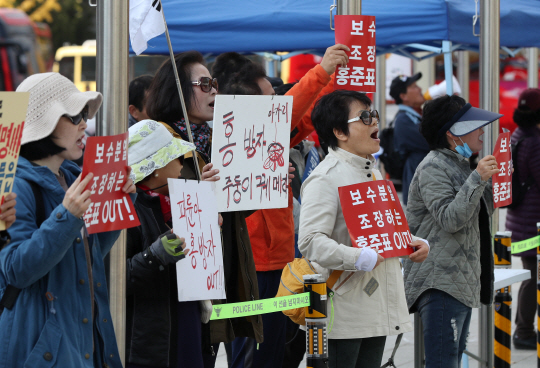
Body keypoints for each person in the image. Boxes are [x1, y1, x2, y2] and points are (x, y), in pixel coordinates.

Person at [212, 45, 347, 368]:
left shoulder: (273, 139)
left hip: (282, 260)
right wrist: (323, 71)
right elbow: (294, 106)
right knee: (252, 356)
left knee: (278, 353)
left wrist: (334, 74)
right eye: (269, 99)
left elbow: (310, 111)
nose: (276, 107)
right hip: (250, 266)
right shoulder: (222, 135)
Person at [0, 72, 136, 367]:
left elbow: (88, 256)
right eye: (74, 116)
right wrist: (67, 215)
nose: (85, 124)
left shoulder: (74, 176)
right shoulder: (13, 184)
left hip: (83, 341)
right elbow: (15, 270)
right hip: (41, 348)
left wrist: (122, 198)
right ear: (43, 124)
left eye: (84, 114)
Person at [145, 51, 263, 367]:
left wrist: (258, 181)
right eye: (205, 83)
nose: (214, 90)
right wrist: (198, 191)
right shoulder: (156, 140)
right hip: (177, 282)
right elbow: (152, 207)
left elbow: (230, 214)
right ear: (178, 90)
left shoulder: (219, 140)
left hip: (214, 274)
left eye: (215, 83)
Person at [299, 90, 429, 368]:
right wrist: (356, 257)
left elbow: (382, 230)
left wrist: (411, 242)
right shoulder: (325, 177)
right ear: (339, 132)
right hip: (344, 310)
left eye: (375, 115)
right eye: (365, 117)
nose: (375, 123)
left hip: (376, 305)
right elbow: (310, 241)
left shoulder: (373, 170)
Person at [403, 95, 502, 368]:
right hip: (440, 281)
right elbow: (450, 219)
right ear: (452, 133)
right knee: (443, 362)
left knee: (450, 359)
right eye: (474, 125)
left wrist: (498, 181)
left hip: (458, 279)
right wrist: (477, 178)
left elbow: (477, 215)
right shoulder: (434, 165)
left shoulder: (459, 163)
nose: (482, 131)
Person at [126, 119, 215, 367]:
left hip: (183, 322)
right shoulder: (129, 209)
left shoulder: (170, 201)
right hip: (152, 339)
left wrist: (205, 214)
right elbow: (116, 278)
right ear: (156, 168)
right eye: (176, 157)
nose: (182, 164)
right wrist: (154, 255)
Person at [505, 88, 540, 350]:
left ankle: (523, 328)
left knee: (530, 274)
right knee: (532, 276)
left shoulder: (518, 136)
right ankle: (524, 331)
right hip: (533, 221)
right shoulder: (534, 141)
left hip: (519, 218)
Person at [389, 73, 430, 205]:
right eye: (413, 86)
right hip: (419, 187)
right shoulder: (403, 120)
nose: (419, 89)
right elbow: (431, 141)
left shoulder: (415, 115)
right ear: (403, 96)